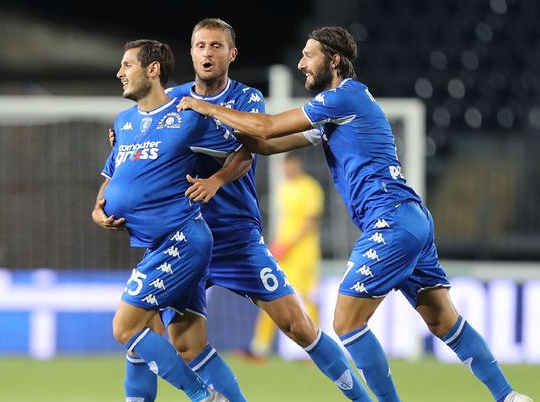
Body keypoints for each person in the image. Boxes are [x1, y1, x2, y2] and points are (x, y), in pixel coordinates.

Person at [177, 26, 534, 402]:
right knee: (442, 319)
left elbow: (266, 125)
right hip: (411, 217)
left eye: (309, 55)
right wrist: (216, 132)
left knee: (347, 322)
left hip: (390, 219)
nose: (301, 64)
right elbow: (266, 143)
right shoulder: (337, 113)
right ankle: (508, 396)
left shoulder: (343, 97)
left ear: (334, 60)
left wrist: (205, 106)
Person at [116, 19, 372, 402]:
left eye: (216, 46)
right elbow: (146, 130)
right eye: (200, 45)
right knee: (181, 343)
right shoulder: (174, 99)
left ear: (231, 54)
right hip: (182, 238)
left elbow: (247, 150)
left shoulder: (246, 99)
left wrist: (217, 180)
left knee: (297, 325)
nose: (207, 53)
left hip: (235, 237)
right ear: (191, 52)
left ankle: (362, 399)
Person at [92, 39, 232, 402]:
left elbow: (245, 145)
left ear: (152, 70)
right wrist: (98, 209)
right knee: (168, 341)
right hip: (156, 245)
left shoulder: (186, 116)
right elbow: (112, 177)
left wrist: (216, 180)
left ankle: (204, 396)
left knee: (125, 327)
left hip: (182, 240)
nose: (119, 72)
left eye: (127, 65)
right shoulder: (123, 122)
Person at [250, 153, 324, 358]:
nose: (286, 169)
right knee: (271, 294)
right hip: (283, 252)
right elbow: (285, 222)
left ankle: (316, 348)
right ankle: (259, 348)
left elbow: (311, 221)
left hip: (304, 255)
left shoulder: (310, 187)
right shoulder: (284, 188)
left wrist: (288, 244)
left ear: (297, 164)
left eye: (289, 165)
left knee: (308, 299)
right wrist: (276, 244)